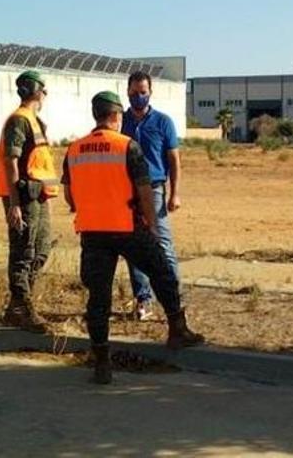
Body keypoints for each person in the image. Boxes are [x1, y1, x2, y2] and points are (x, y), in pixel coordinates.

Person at [62, 91, 205, 384]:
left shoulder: (74, 149)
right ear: (117, 116)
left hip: (91, 232)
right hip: (126, 227)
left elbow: (69, 193)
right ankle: (178, 329)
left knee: (98, 297)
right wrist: (151, 225)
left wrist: (85, 207)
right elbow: (143, 190)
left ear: (95, 115)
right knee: (162, 272)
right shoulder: (127, 146)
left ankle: (102, 362)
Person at [0, 70, 59, 332]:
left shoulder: (35, 121)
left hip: (39, 196)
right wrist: (14, 204)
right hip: (23, 197)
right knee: (23, 252)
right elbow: (11, 162)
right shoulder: (19, 121)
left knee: (41, 249)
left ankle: (18, 306)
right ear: (35, 90)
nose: (45, 94)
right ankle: (22, 307)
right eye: (43, 89)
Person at [121, 71, 182, 321]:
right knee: (136, 247)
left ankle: (173, 296)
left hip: (155, 188)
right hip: (127, 190)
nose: (139, 97)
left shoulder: (163, 122)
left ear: (150, 92)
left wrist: (175, 193)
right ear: (127, 92)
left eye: (143, 92)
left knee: (161, 243)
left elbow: (174, 159)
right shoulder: (120, 121)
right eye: (134, 93)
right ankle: (143, 298)